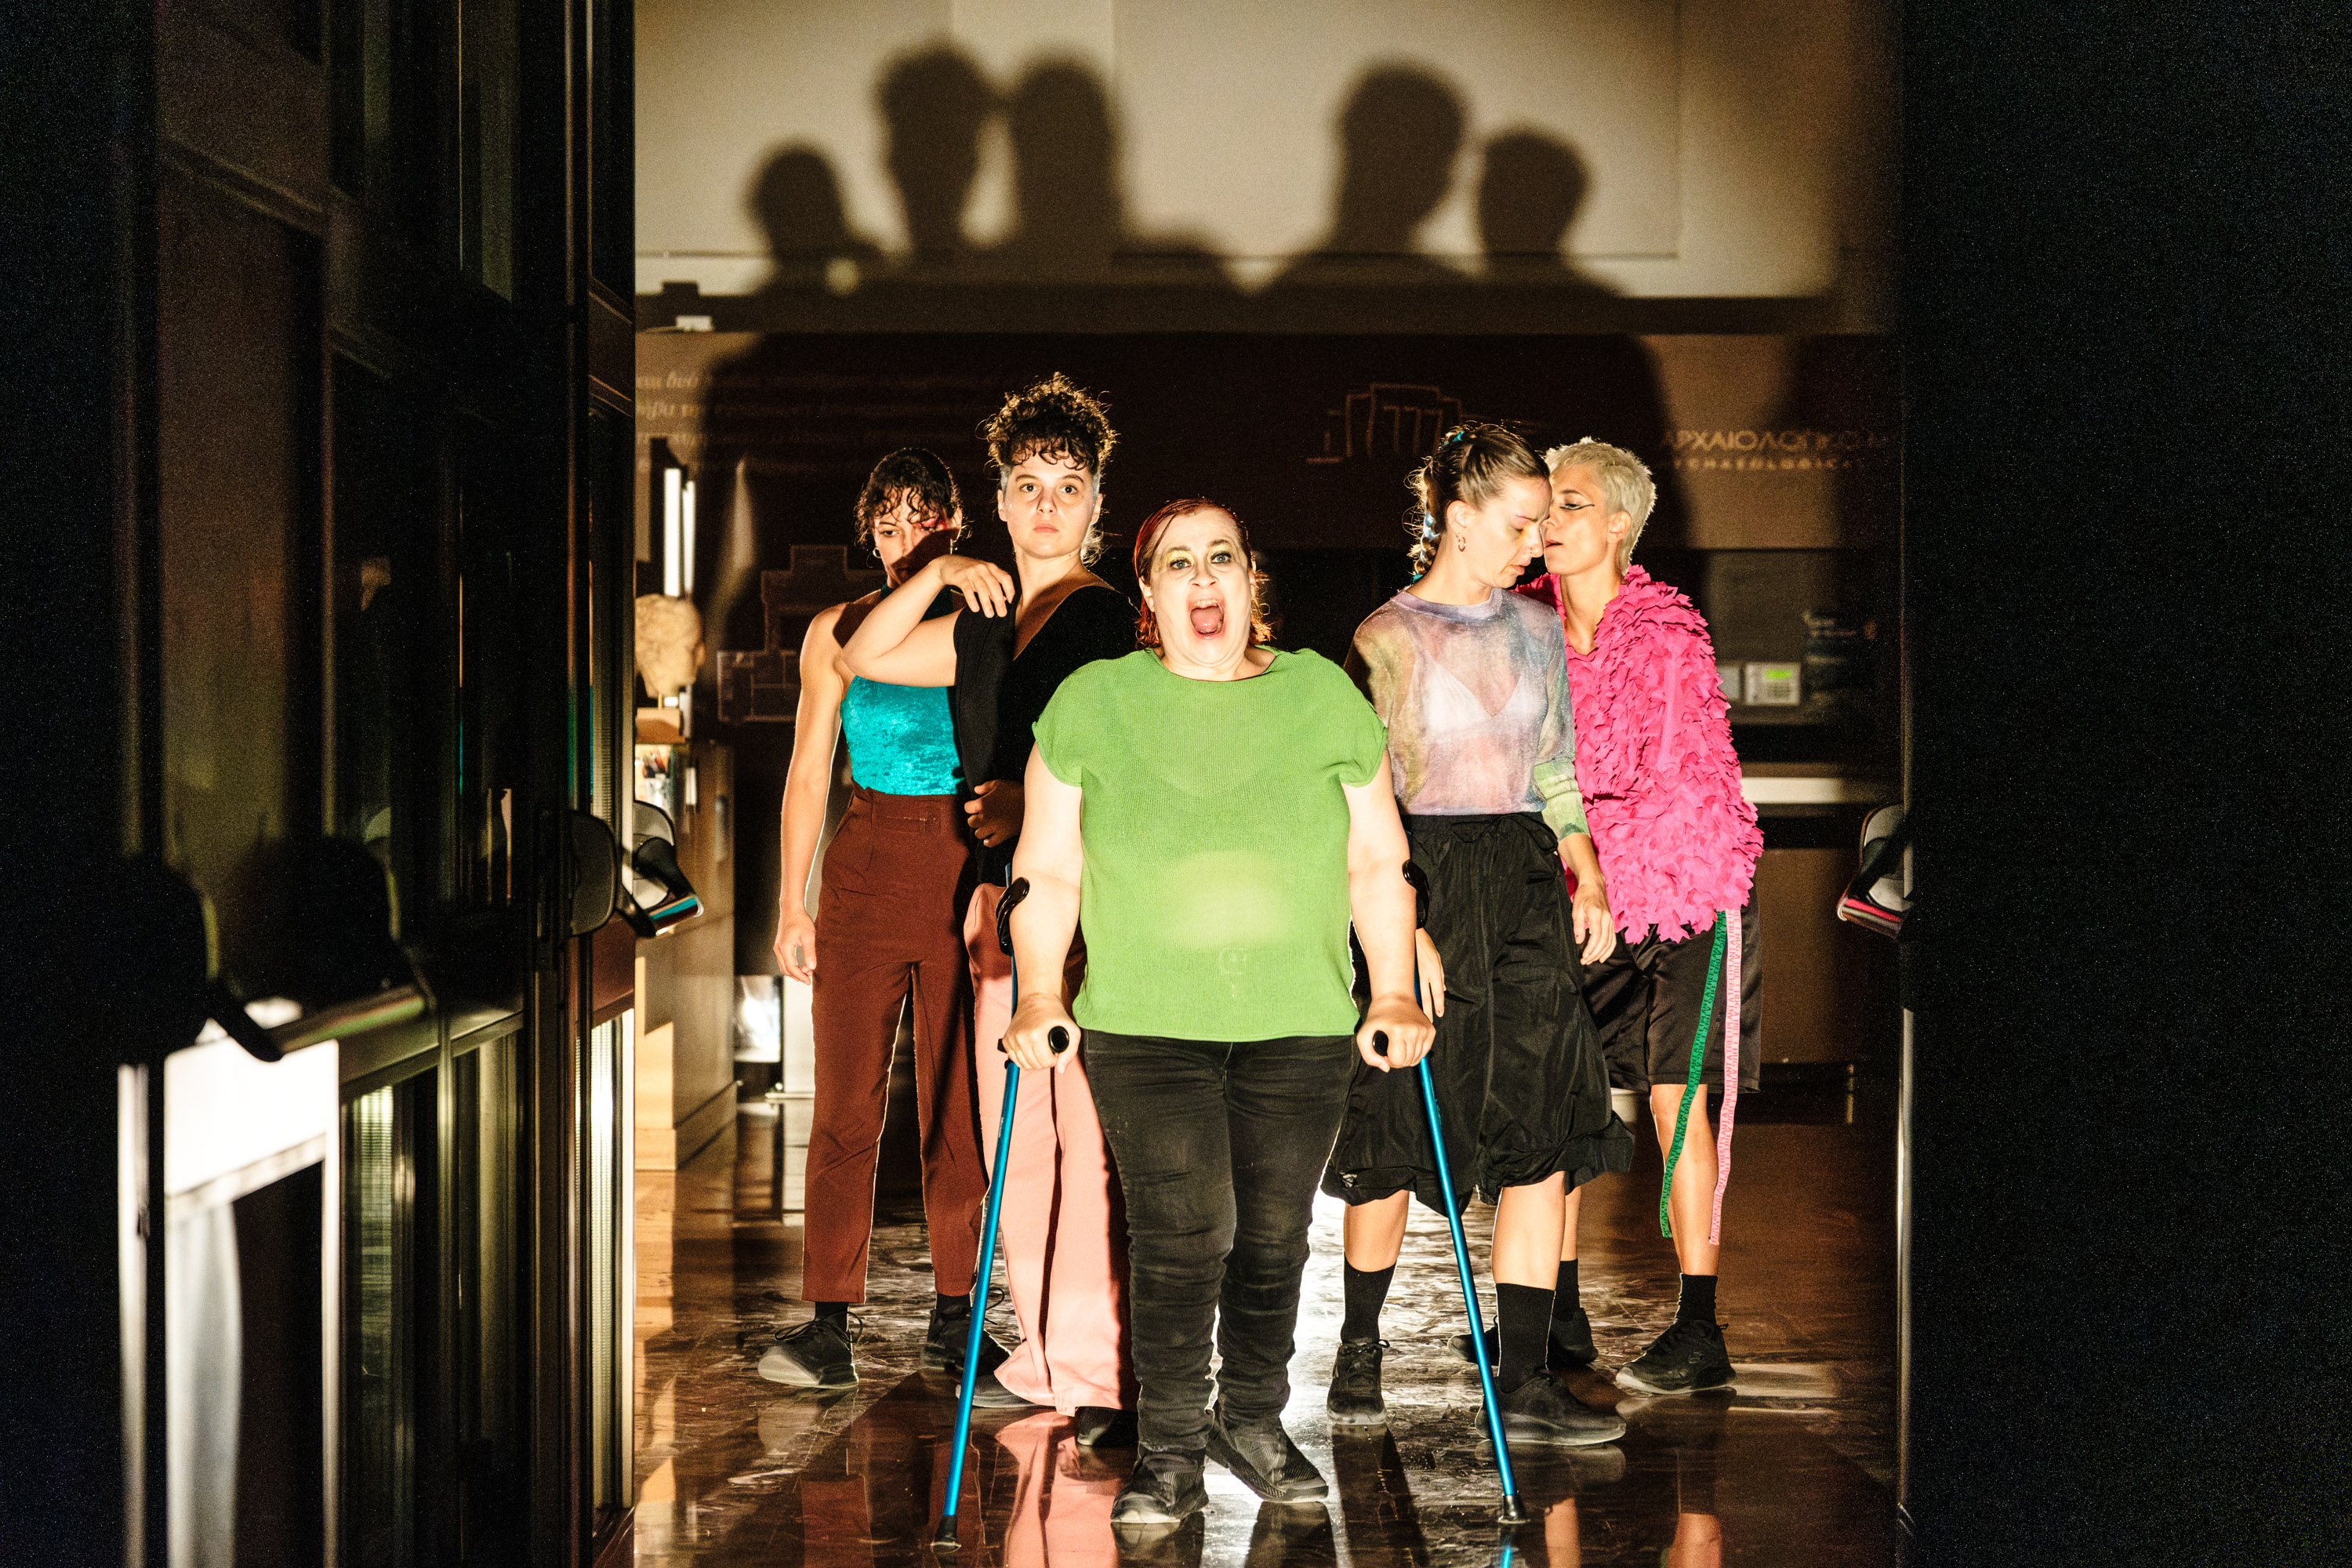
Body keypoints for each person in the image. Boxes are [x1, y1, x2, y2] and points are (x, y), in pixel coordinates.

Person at [1000, 499, 1436, 1528]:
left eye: (1223, 560)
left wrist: (1393, 987)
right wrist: (1037, 988)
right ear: (1147, 593)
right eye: (1178, 565)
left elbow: (1378, 860)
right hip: (1146, 1022)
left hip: (1300, 1018)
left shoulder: (1322, 696)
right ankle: (1171, 1452)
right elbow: (1047, 873)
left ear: (1252, 580)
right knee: (1185, 1227)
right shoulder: (1092, 704)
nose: (1204, 581)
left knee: (1276, 1237)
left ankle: (1252, 1415)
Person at [1320, 423, 1632, 1446]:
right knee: (1401, 1127)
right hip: (1424, 880)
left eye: (1545, 523)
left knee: (1544, 1127)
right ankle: (1359, 1348)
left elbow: (1554, 767)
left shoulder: (1537, 632)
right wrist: (1393, 927)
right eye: (1520, 522)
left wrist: (1580, 856)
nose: (1536, 545)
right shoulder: (1385, 638)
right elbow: (1357, 801)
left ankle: (1527, 1377)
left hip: (1524, 884)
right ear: (1457, 514)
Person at [841, 375, 1138, 1439]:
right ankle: (1049, 1351)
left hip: (1080, 906)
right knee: (1015, 1143)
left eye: (1069, 484)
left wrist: (1036, 800)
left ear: (1095, 501)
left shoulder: (1109, 620)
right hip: (989, 909)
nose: (1049, 503)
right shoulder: (981, 616)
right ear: (1000, 502)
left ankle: (1099, 1371)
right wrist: (946, 572)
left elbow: (1127, 766)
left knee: (1079, 1138)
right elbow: (862, 654)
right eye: (1028, 484)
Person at [1517, 439, 1762, 1396]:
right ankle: (1559, 1309)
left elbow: (1678, 785)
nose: (1552, 520)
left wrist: (1596, 864)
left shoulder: (1666, 633)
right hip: (1574, 895)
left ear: (1618, 523)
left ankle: (1700, 1325)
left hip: (1677, 894)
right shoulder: (1525, 626)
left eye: (1571, 504)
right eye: (1548, 505)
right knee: (1565, 1099)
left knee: (1671, 1100)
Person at [759, 449, 996, 1390]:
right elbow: (809, 769)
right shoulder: (837, 629)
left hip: (960, 860)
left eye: (921, 523)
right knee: (846, 1099)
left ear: (952, 524)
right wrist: (792, 899)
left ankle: (957, 1311)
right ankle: (828, 1320)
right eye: (887, 526)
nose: (903, 542)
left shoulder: (985, 616)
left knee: (958, 1104)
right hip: (863, 862)